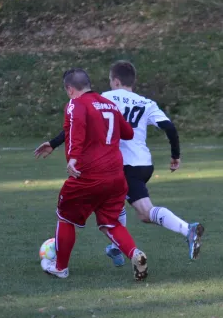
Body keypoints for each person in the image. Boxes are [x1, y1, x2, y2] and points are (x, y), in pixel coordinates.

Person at [35, 61, 204, 267]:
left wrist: (54, 143)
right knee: (114, 205)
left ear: (115, 81)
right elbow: (169, 127)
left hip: (119, 165)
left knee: (144, 212)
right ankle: (116, 248)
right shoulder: (146, 102)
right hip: (143, 164)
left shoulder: (102, 99)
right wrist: (175, 155)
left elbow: (77, 124)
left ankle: (188, 230)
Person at [40, 68, 148, 280]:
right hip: (116, 176)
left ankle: (60, 267)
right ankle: (135, 254)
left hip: (87, 175)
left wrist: (73, 157)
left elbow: (77, 127)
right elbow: (128, 132)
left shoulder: (75, 104)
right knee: (111, 222)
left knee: (65, 217)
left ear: (70, 89)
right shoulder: (108, 103)